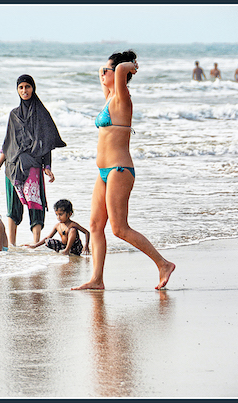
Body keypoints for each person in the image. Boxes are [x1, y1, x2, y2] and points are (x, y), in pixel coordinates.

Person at [72, 50, 175, 291]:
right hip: (104, 172)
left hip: (120, 169)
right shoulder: (109, 97)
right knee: (96, 225)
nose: (102, 73)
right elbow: (111, 72)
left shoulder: (122, 97)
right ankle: (97, 279)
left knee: (119, 228)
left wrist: (129, 65)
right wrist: (109, 69)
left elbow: (120, 69)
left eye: (106, 70)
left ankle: (163, 264)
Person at [0, 74, 67, 246]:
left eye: (27, 87)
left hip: (33, 165)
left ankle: (36, 245)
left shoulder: (41, 114)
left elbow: (47, 143)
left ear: (33, 88)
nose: (24, 90)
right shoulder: (14, 115)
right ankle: (12, 245)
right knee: (13, 206)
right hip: (12, 166)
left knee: (35, 205)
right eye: (21, 87)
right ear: (17, 90)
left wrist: (47, 166)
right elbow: (7, 143)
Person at [24, 199, 90, 256]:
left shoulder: (72, 224)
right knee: (48, 241)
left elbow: (87, 232)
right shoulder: (57, 225)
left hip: (75, 247)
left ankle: (67, 250)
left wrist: (86, 245)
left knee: (72, 230)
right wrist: (35, 245)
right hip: (63, 245)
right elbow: (47, 237)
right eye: (57, 215)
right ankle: (64, 250)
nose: (58, 217)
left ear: (69, 214)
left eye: (61, 214)